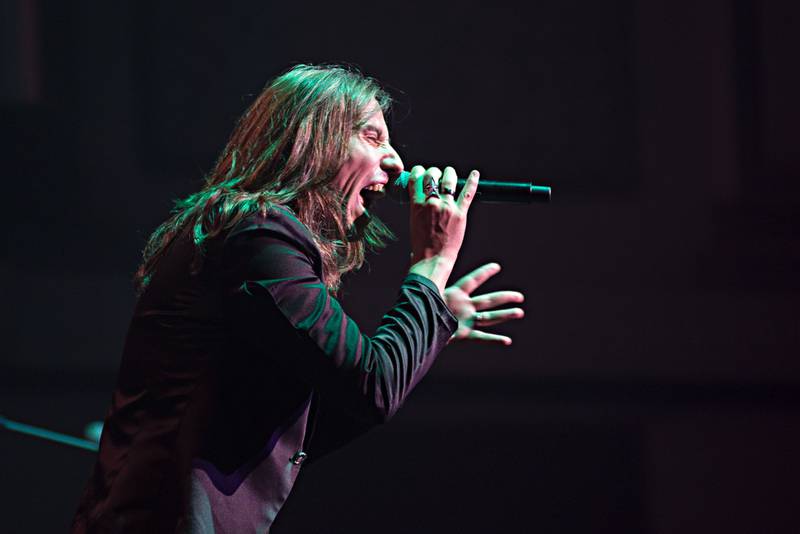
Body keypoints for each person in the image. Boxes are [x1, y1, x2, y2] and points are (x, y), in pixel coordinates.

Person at [71, 64, 525, 533]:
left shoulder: (254, 237)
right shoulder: (260, 234)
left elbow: (304, 431)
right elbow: (371, 387)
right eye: (372, 136)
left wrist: (433, 324)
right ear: (311, 140)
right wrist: (431, 264)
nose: (396, 163)